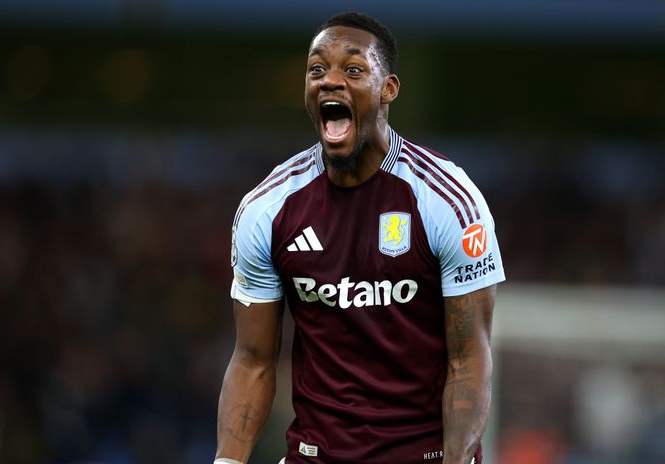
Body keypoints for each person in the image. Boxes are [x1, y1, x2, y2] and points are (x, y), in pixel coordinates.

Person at [216, 12, 504, 464]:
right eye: (316, 70)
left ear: (388, 89)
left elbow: (468, 358)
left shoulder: (448, 201)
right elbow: (252, 360)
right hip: (315, 455)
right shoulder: (266, 210)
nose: (330, 80)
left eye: (352, 69)